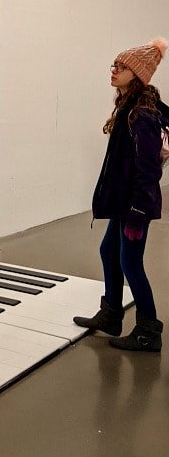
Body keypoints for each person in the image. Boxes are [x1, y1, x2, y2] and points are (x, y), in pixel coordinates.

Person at [74, 37, 169, 351]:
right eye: (114, 64)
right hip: (123, 202)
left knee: (131, 263)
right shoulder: (129, 105)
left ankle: (148, 331)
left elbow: (148, 170)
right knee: (108, 252)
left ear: (138, 74)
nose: (114, 70)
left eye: (123, 66)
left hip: (134, 206)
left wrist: (138, 212)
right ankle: (112, 315)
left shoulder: (141, 115)